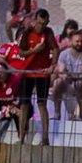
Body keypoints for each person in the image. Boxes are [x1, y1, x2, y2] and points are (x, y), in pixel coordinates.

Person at [14, 9, 58, 145]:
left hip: (42, 73)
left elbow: (56, 48)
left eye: (44, 24)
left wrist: (53, 65)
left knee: (42, 104)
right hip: (27, 72)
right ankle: (21, 137)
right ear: (35, 20)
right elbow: (21, 53)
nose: (41, 26)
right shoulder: (27, 32)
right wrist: (34, 51)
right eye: (39, 23)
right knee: (24, 104)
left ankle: (45, 138)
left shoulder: (48, 33)